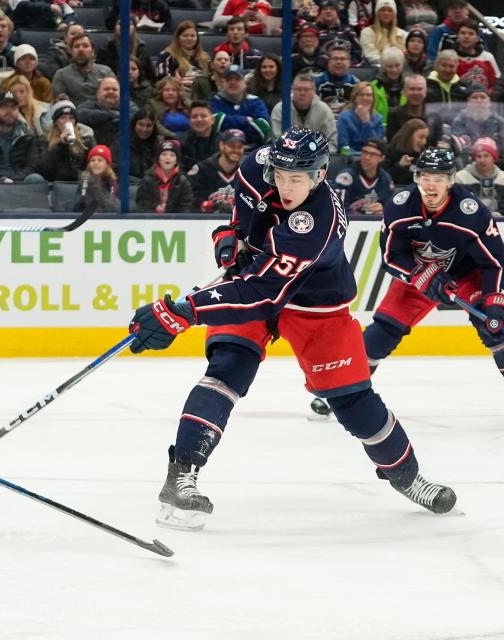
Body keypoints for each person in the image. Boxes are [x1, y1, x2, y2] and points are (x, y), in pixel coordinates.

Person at [128, 128, 458, 532]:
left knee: (352, 399)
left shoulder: (318, 221)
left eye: (296, 179)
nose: (284, 186)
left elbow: (263, 293)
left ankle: (408, 477)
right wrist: (231, 235)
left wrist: (185, 311)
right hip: (254, 282)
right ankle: (182, 476)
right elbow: (243, 213)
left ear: (320, 175)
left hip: (313, 303)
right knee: (227, 368)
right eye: (280, 175)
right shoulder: (256, 166)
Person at [315, 147, 504, 417]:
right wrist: (420, 274)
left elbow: (494, 261)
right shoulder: (400, 206)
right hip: (419, 274)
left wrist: (495, 301)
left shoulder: (471, 212)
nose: (431, 184)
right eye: (425, 176)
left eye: (438, 178)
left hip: (466, 274)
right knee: (383, 330)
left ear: (451, 180)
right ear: (416, 177)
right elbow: (391, 257)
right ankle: (341, 391)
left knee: (495, 326)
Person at [270, 71, 338, 151]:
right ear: (292, 90)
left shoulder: (324, 111)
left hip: (317, 159)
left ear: (314, 91)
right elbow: (276, 141)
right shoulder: (280, 109)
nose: (302, 93)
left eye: (306, 89)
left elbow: (331, 143)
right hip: (287, 158)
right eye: (298, 89)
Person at [210, 65, 271, 147]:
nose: (233, 82)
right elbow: (215, 122)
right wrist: (245, 120)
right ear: (223, 83)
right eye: (229, 79)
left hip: (252, 151)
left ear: (245, 83)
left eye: (237, 79)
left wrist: (226, 124)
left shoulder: (256, 101)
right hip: (222, 151)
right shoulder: (215, 101)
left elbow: (263, 126)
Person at [36, 99, 94, 183]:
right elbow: (43, 168)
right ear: (55, 122)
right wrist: (60, 144)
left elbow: (90, 166)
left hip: (77, 184)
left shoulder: (86, 139)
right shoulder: (43, 140)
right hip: (51, 185)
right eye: (63, 117)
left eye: (71, 118)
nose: (67, 121)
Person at [332, 137, 393, 214]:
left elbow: (390, 209)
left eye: (372, 154)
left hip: (375, 223)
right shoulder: (346, 177)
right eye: (364, 152)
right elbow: (338, 210)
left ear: (381, 158)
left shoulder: (386, 180)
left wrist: (383, 210)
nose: (367, 157)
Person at [51, 34, 115, 106]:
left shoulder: (106, 72)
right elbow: (60, 106)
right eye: (77, 46)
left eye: (85, 46)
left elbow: (116, 98)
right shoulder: (61, 75)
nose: (81, 49)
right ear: (70, 51)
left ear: (92, 51)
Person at [135, 138, 194, 214]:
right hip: (150, 222)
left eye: (172, 155)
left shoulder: (183, 182)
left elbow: (186, 207)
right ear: (158, 158)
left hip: (175, 223)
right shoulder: (147, 180)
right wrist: (155, 210)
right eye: (164, 154)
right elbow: (142, 205)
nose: (167, 158)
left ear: (177, 160)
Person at [186, 128, 244, 205]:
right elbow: (189, 199)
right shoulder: (201, 169)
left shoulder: (246, 173)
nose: (236, 150)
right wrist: (206, 205)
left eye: (239, 147)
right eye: (232, 146)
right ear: (221, 145)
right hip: (207, 216)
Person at [76, 76, 136, 149]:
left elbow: (136, 116)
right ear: (98, 93)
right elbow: (78, 114)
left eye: (115, 89)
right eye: (106, 89)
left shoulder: (128, 105)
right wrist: (108, 116)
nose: (111, 92)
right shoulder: (89, 105)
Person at [450, 85, 504, 157]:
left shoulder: (499, 122)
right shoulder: (459, 121)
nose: (479, 100)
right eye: (474, 97)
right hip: (467, 159)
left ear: (489, 102)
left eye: (483, 97)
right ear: (468, 102)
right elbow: (460, 146)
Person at [455, 137, 504, 214]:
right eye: (479, 156)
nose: (482, 160)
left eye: (486, 156)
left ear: (494, 158)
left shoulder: (502, 178)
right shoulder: (460, 178)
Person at [336, 81, 385, 153]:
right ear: (354, 98)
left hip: (373, 159)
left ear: (373, 98)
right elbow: (343, 148)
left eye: (369, 95)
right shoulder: (344, 117)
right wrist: (361, 156)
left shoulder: (378, 119)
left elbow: (376, 147)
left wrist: (366, 122)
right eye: (361, 95)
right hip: (350, 160)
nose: (365, 98)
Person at [315, 41, 359, 115]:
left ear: (349, 63)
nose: (338, 62)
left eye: (342, 59)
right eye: (335, 58)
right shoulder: (316, 83)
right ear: (328, 62)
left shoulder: (356, 84)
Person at [453, 19, 499, 89]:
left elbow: (497, 85)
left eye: (471, 34)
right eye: (463, 33)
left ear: (477, 38)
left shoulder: (488, 57)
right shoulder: (450, 57)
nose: (466, 36)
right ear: (457, 37)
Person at [358, 0, 405, 65]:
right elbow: (371, 56)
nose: (386, 13)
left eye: (390, 10)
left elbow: (405, 56)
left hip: (399, 69)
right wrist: (390, 64)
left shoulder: (403, 34)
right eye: (382, 10)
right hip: (376, 69)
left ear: (394, 14)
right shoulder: (367, 32)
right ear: (377, 13)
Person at [74, 144, 118, 213]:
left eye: (100, 160)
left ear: (107, 164)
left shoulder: (112, 180)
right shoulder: (85, 180)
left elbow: (112, 206)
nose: (95, 163)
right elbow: (78, 206)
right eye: (92, 160)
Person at [369, 46, 405, 129]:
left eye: (397, 65)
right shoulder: (372, 87)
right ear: (383, 67)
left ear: (402, 65)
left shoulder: (408, 86)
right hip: (379, 130)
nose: (394, 70)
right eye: (390, 66)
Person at [386, 73, 429, 141]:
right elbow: (392, 143)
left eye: (419, 89)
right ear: (404, 92)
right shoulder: (394, 114)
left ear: (425, 92)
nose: (415, 93)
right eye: (412, 89)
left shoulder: (434, 117)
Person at [178, 100, 219, 171]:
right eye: (194, 116)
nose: (199, 119)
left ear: (212, 120)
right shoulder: (180, 142)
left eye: (203, 116)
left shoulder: (223, 141)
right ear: (189, 120)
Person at [385, 117, 428, 184]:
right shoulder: (389, 152)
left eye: (425, 137)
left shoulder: (423, 156)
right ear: (409, 136)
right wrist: (400, 166)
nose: (424, 142)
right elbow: (384, 180)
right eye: (421, 137)